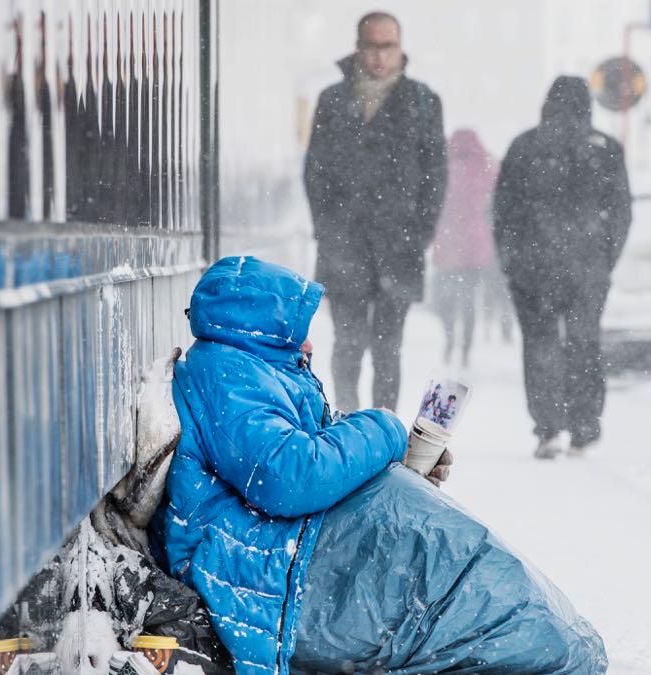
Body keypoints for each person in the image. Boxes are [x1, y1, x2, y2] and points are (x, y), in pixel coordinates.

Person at [153, 256, 606, 674]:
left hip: (286, 538)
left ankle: (541, 642)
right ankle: (540, 647)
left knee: (441, 547)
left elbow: (309, 447)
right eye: (296, 327)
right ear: (259, 326)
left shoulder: (254, 369)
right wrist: (386, 429)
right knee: (434, 555)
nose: (308, 341)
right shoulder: (227, 374)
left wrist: (398, 461)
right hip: (260, 554)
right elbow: (288, 477)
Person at [303, 11, 447, 411]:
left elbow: (436, 174)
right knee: (347, 344)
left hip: (399, 245)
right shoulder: (333, 100)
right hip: (344, 243)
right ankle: (348, 421)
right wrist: (326, 228)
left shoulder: (422, 101)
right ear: (358, 47)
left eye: (389, 46)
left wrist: (421, 233)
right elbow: (315, 171)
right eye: (373, 45)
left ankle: (382, 430)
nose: (381, 56)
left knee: (388, 349)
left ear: (401, 48)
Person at [492, 76, 633, 460]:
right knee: (584, 344)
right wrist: (605, 260)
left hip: (532, 268)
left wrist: (511, 260)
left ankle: (548, 428)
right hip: (587, 269)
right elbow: (621, 214)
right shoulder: (606, 150)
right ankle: (584, 428)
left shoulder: (525, 147)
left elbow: (503, 211)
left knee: (540, 345)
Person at [429, 128, 499, 367]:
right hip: (475, 249)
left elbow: (433, 202)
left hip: (449, 245)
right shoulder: (486, 169)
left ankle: (450, 337)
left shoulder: (443, 170)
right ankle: (465, 348)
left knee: (447, 299)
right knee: (469, 301)